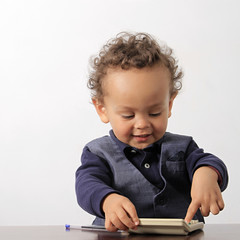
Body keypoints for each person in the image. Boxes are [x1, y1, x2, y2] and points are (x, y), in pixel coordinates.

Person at [75, 32, 228, 232]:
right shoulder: (98, 153)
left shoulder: (183, 147)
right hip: (119, 236)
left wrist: (206, 174)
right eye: (128, 116)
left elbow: (208, 161)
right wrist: (107, 200)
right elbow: (87, 184)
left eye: (155, 113)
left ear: (170, 104)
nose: (142, 124)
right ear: (102, 109)